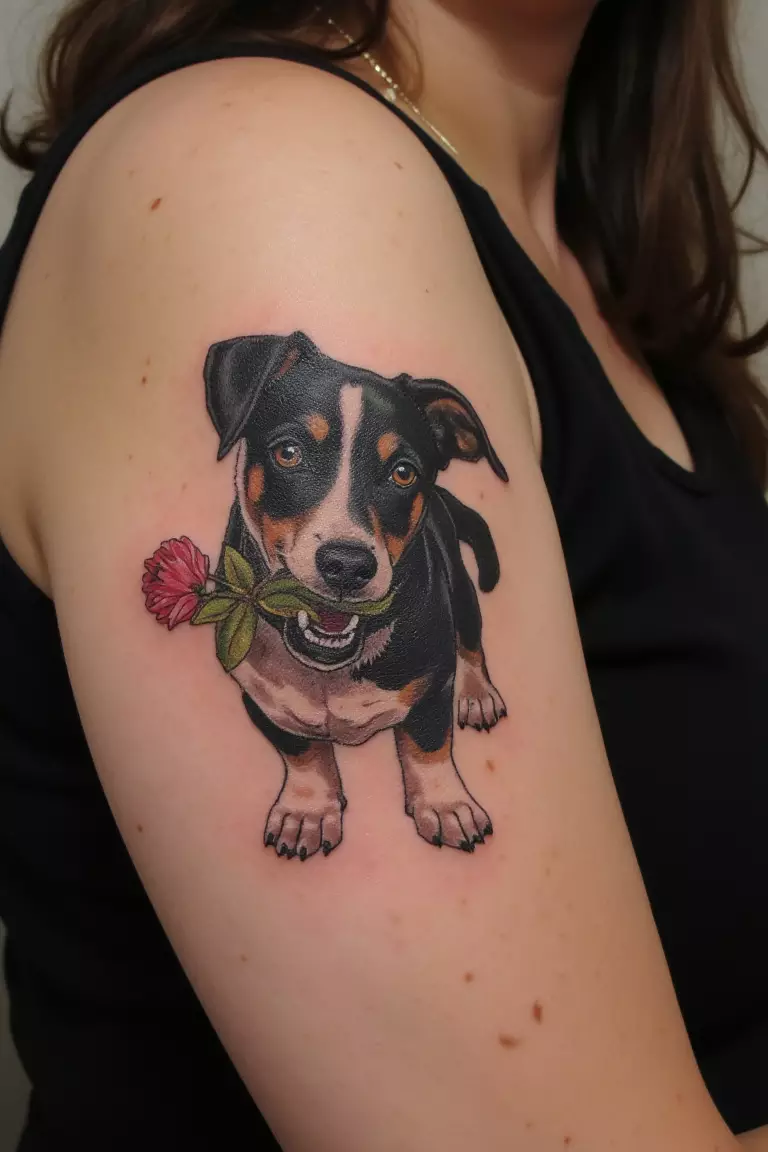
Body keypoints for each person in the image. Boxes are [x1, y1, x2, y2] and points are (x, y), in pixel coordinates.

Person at [0, 0, 767, 1148]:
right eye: (298, 461)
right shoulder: (273, 180)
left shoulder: (607, 277)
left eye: (391, 481)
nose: (345, 527)